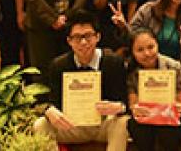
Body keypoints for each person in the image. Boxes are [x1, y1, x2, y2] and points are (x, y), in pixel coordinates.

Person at [34, 10, 128, 151]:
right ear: (69, 41)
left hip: (102, 126)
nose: (83, 42)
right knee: (41, 124)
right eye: (77, 37)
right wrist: (49, 110)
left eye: (88, 36)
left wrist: (118, 107)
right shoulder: (58, 65)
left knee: (123, 122)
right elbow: (43, 100)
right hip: (70, 126)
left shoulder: (113, 62)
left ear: (98, 37)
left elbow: (125, 102)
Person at [126, 27, 181, 151]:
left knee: (170, 129)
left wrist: (178, 107)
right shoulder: (130, 70)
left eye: (151, 47)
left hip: (167, 115)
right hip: (146, 116)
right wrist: (136, 109)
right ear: (132, 52)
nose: (147, 53)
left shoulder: (173, 66)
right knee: (137, 126)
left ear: (157, 44)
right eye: (140, 50)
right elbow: (133, 104)